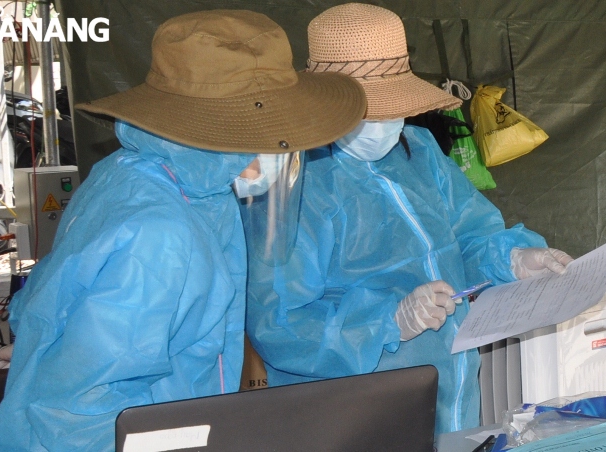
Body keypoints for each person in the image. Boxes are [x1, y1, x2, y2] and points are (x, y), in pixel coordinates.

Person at [0, 10, 366, 451]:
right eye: (271, 131)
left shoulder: (161, 178)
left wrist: (44, 348)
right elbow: (85, 414)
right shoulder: (160, 234)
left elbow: (62, 293)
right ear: (218, 134)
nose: (283, 147)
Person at [245, 3, 573, 435]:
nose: (386, 122)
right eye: (369, 109)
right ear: (325, 103)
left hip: (452, 394)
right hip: (353, 417)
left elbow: (467, 237)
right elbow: (280, 324)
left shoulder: (416, 150)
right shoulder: (294, 182)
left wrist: (511, 258)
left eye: (393, 106)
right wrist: (389, 321)